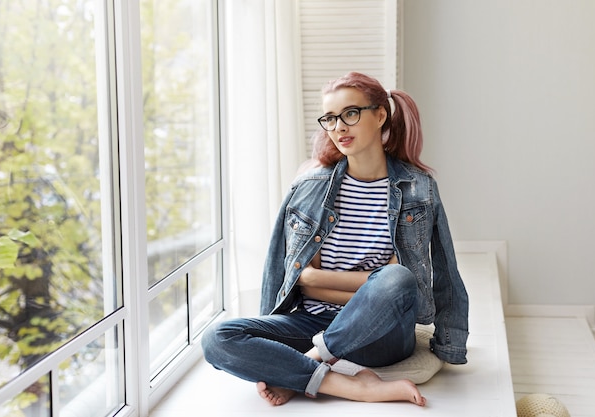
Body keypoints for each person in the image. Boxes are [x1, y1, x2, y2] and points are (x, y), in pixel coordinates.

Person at [201, 71, 469, 407]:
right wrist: (352, 286)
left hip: (383, 334)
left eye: (350, 114)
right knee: (217, 338)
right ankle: (357, 387)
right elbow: (289, 275)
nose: (339, 127)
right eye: (330, 119)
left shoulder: (417, 189)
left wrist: (449, 342)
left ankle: (310, 363)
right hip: (312, 321)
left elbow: (416, 278)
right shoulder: (310, 186)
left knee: (397, 278)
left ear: (380, 114)